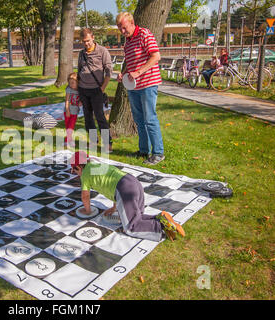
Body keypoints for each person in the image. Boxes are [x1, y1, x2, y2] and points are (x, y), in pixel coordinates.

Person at [69, 151, 185, 241]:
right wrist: (115, 208)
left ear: (79, 167)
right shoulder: (97, 165)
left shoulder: (85, 174)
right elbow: (111, 182)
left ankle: (161, 226)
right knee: (137, 216)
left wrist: (88, 211)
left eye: (75, 171)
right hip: (133, 182)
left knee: (131, 227)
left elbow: (85, 196)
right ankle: (160, 217)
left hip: (125, 190)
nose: (76, 174)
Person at [116, 12, 165, 166]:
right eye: (120, 29)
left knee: (150, 118)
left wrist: (138, 72)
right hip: (134, 86)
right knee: (138, 120)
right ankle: (143, 150)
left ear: (132, 23)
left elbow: (156, 56)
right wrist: (124, 74)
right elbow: (131, 63)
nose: (123, 32)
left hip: (148, 84)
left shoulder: (145, 34)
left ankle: (158, 153)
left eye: (124, 28)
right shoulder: (128, 42)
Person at [77, 28, 113, 153]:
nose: (86, 43)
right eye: (83, 41)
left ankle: (107, 143)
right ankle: (93, 141)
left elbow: (108, 71)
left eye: (87, 40)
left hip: (96, 90)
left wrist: (102, 88)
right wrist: (77, 91)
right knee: (88, 118)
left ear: (93, 37)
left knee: (100, 117)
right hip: (83, 90)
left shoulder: (102, 51)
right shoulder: (81, 53)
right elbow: (79, 70)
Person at [64, 72, 82, 148]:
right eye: (69, 83)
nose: (71, 84)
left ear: (77, 83)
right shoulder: (69, 89)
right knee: (68, 126)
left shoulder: (80, 90)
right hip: (68, 111)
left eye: (73, 83)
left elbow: (81, 98)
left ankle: (67, 140)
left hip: (75, 111)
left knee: (71, 126)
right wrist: (67, 110)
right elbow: (67, 100)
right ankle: (68, 141)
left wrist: (81, 102)